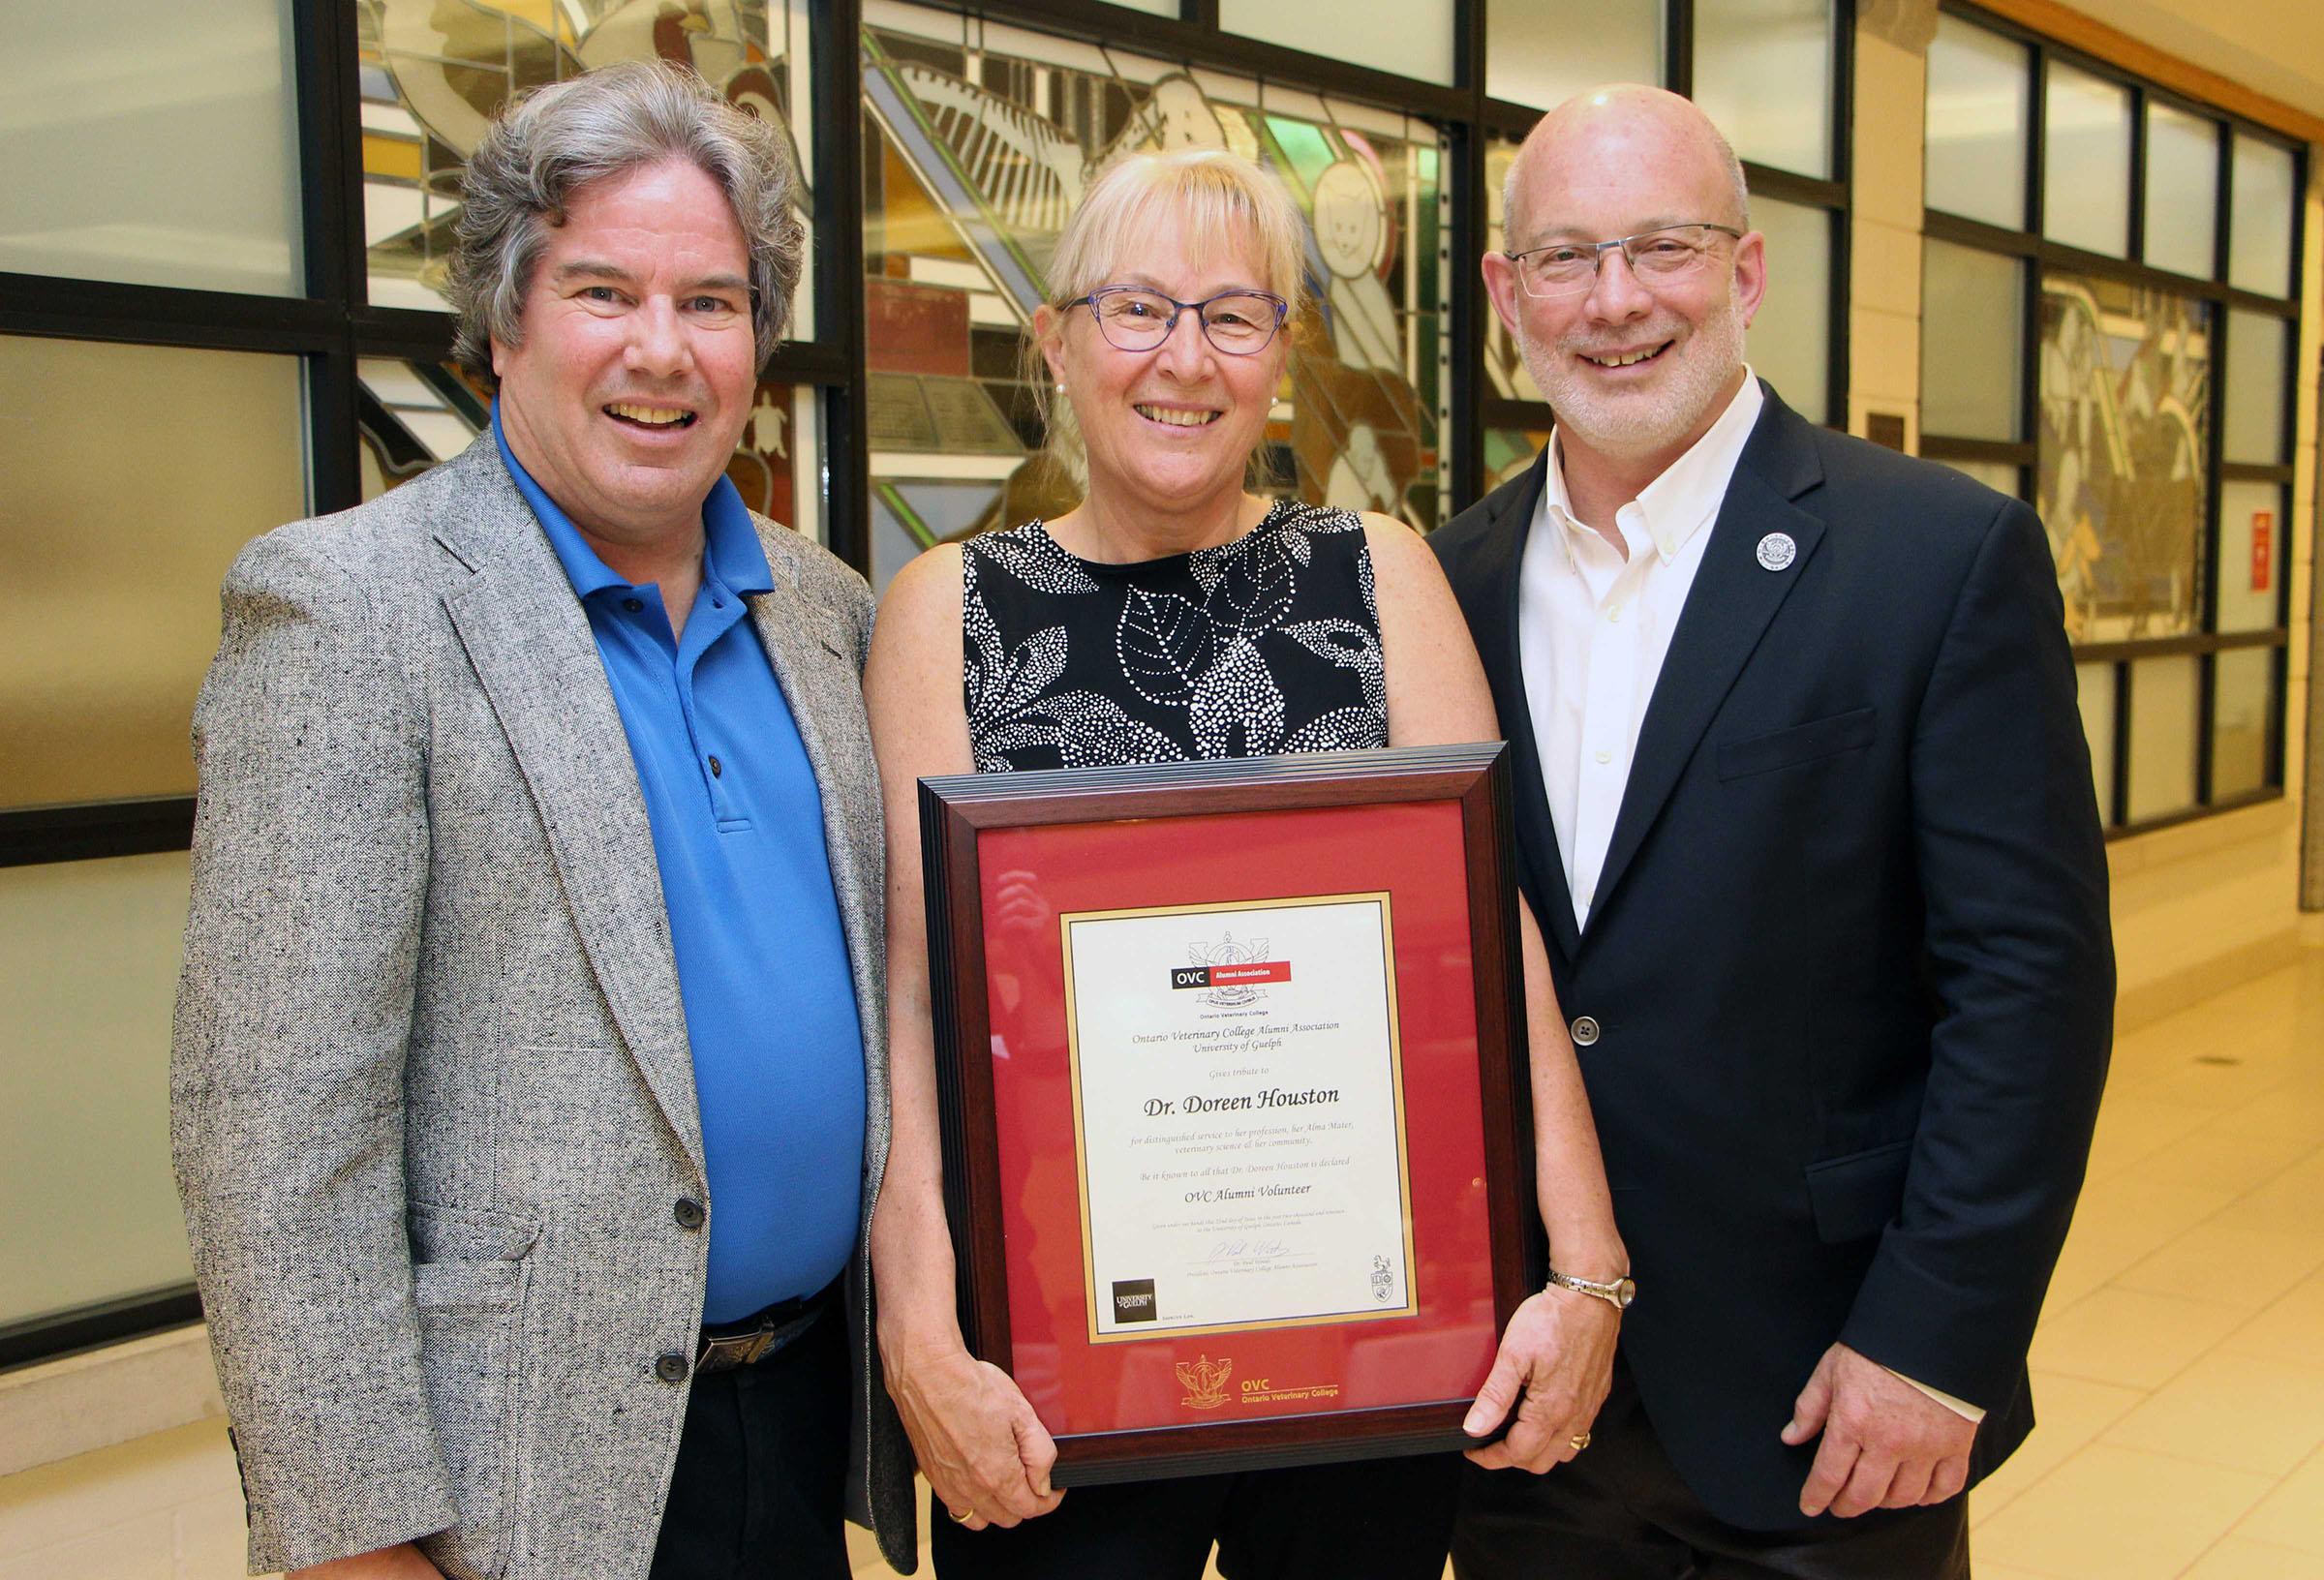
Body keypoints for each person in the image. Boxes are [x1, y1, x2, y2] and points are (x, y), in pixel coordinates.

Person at [170, 61, 911, 1580]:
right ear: (505, 320)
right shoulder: (351, 612)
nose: (662, 351)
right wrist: (351, 1543)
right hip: (518, 1476)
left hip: (804, 1418)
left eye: (711, 302)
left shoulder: (828, 610)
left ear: (760, 344)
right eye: (601, 292)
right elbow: (273, 1140)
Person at [863, 147, 1632, 1580]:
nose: (1184, 359)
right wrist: (919, 1335)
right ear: (1057, 341)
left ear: (1282, 354)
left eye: (1235, 315)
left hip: (1368, 1325)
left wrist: (1584, 1268)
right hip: (1058, 1350)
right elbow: (908, 1007)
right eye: (1136, 308)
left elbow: (1493, 937)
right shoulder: (942, 615)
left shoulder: (1383, 577)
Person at [1432, 85, 2115, 1580]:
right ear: (1503, 295)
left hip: (1829, 1404)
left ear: (1745, 274)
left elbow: (2030, 993)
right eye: (1564, 258)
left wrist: (1937, 1348)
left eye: (1663, 248)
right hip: (1525, 1410)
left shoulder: (1937, 558)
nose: (1615, 303)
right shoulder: (1441, 587)